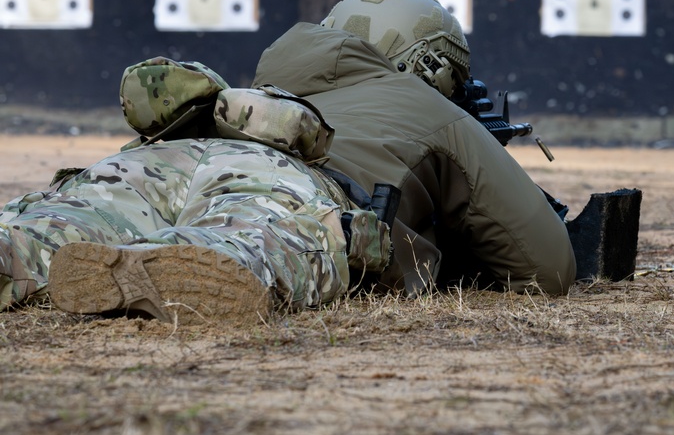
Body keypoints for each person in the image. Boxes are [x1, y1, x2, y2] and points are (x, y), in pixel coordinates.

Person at [253, 0, 576, 296]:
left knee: (238, 243)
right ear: (433, 68)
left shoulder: (264, 95)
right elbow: (549, 271)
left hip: (219, 181)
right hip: (324, 219)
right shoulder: (429, 108)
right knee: (273, 260)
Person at [0, 61, 393, 326]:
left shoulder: (149, 147)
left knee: (62, 222)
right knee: (253, 231)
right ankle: (191, 254)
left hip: (139, 168)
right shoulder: (284, 154)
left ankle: (11, 250)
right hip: (262, 170)